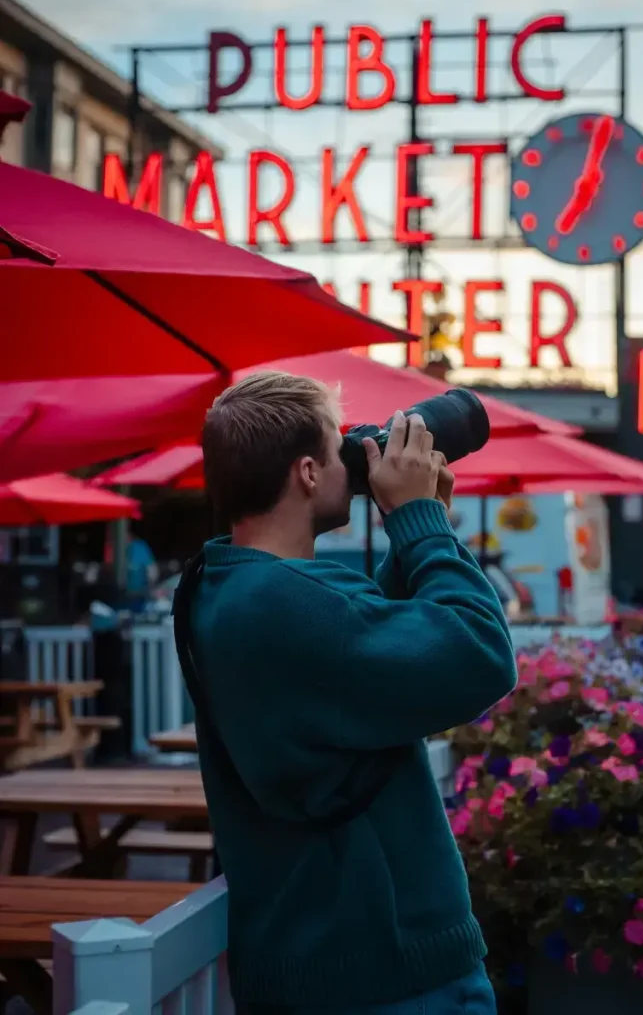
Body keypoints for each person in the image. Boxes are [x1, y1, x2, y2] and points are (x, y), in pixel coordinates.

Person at [182, 371, 517, 1015]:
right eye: (342, 448)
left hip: (327, 962)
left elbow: (362, 646)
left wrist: (425, 520)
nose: (358, 456)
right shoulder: (284, 603)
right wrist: (419, 519)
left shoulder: (227, 585)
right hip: (385, 977)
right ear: (308, 473)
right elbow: (479, 654)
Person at [125, 526, 158, 610]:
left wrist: (151, 586)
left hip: (139, 593)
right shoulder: (122, 549)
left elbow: (151, 569)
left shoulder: (139, 547)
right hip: (128, 593)